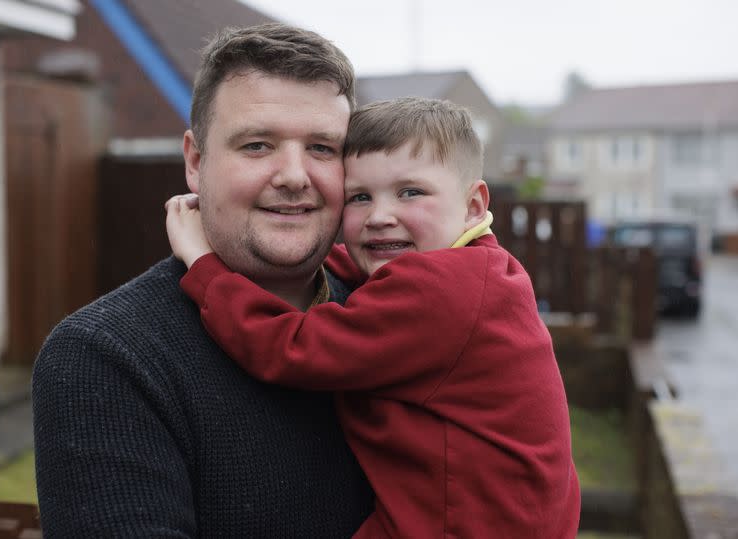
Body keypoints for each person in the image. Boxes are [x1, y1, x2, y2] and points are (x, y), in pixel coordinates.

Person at [166, 97, 581, 538]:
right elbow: (364, 267)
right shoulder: (481, 269)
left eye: (410, 192)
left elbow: (293, 349)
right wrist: (302, 245)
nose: (380, 217)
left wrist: (204, 266)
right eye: (360, 197)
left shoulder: (438, 291)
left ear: (474, 205)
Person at [31, 23, 374, 537]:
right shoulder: (104, 359)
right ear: (195, 161)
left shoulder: (387, 320)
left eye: (323, 148)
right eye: (257, 145)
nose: (295, 175)